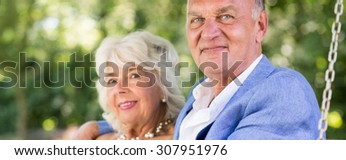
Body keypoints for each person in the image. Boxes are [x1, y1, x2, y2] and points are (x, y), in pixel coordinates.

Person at [74, 0, 321, 140]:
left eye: (225, 16)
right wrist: (95, 128)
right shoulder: (199, 99)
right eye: (197, 20)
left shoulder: (282, 90)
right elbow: (144, 128)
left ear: (260, 26)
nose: (208, 33)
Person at [74, 31, 185, 140]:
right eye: (112, 81)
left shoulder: (186, 138)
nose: (119, 89)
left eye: (134, 75)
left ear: (163, 85)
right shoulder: (97, 139)